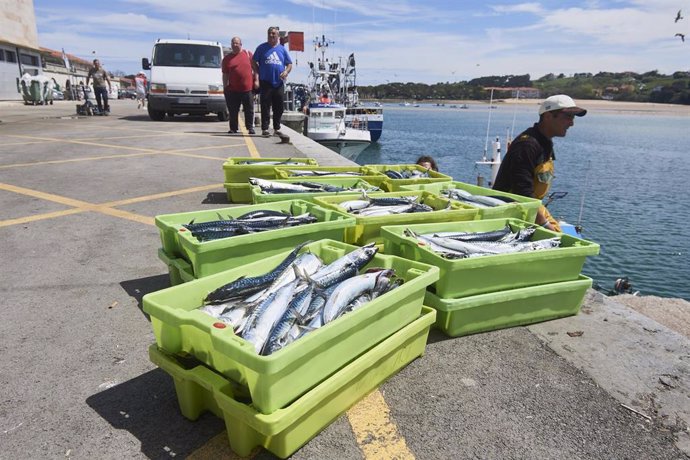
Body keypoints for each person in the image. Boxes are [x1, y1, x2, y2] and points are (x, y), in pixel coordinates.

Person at [493, 94, 587, 231]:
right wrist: (544, 224)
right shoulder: (527, 145)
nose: (571, 123)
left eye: (572, 118)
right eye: (567, 117)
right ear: (548, 116)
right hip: (510, 212)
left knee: (558, 232)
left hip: (530, 207)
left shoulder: (544, 141)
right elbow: (522, 193)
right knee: (556, 237)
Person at [253, 26, 293, 137]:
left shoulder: (282, 49)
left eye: (274, 33)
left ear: (278, 35)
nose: (272, 35)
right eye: (270, 33)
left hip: (279, 83)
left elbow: (289, 64)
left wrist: (286, 72)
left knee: (279, 107)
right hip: (266, 82)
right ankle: (265, 129)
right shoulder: (261, 48)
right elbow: (253, 61)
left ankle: (276, 128)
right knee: (265, 106)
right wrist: (258, 71)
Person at [222, 36, 258, 134]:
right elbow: (225, 74)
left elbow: (255, 69)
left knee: (249, 109)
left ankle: (250, 127)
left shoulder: (248, 54)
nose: (235, 45)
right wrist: (225, 87)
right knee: (233, 110)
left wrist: (257, 81)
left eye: (237, 43)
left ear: (241, 44)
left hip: (247, 88)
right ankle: (233, 128)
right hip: (233, 89)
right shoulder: (227, 59)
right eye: (233, 43)